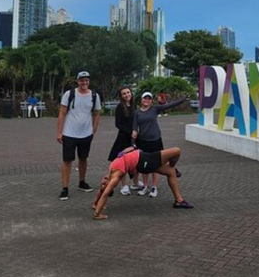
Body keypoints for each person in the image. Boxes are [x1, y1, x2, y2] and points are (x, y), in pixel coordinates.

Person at [92, 146, 194, 220]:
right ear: (110, 186)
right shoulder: (116, 176)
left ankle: (179, 201)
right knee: (177, 151)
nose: (104, 181)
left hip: (144, 158)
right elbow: (105, 194)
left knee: (170, 173)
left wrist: (95, 204)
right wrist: (97, 214)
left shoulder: (111, 170)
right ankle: (173, 167)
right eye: (105, 184)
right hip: (145, 161)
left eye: (102, 182)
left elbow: (101, 191)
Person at [132, 91, 187, 198]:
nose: (146, 100)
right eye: (145, 98)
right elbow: (134, 127)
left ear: (152, 101)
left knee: (156, 164)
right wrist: (134, 136)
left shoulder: (155, 109)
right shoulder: (137, 112)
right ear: (141, 100)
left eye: (149, 99)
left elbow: (169, 105)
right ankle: (145, 186)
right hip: (143, 141)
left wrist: (183, 100)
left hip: (155, 140)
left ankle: (154, 187)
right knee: (144, 164)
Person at [56, 71, 102, 200]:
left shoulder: (94, 95)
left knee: (83, 158)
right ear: (78, 81)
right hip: (69, 133)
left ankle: (82, 182)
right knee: (67, 161)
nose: (84, 83)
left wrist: (94, 130)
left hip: (86, 134)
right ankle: (65, 188)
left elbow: (97, 114)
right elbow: (62, 113)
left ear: (89, 81)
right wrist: (59, 132)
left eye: (86, 80)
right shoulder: (69, 94)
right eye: (82, 80)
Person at [107, 86, 141, 196]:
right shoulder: (120, 107)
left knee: (136, 160)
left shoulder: (134, 105)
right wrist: (130, 131)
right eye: (124, 93)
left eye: (128, 92)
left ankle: (135, 183)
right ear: (121, 96)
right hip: (123, 137)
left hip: (134, 137)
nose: (127, 95)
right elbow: (118, 124)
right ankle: (124, 185)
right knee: (123, 162)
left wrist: (136, 131)